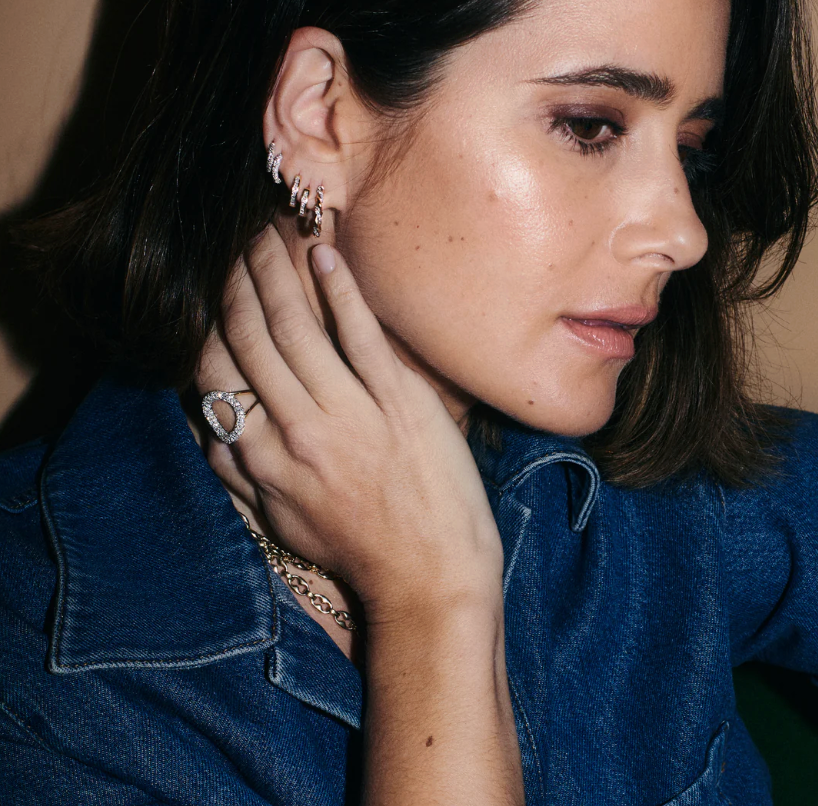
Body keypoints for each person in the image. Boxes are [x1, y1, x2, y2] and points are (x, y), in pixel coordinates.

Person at [1, 0, 817, 803]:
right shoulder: (39, 680)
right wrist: (434, 611)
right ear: (317, 111)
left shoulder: (650, 500)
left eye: (690, 149)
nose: (683, 232)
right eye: (590, 126)